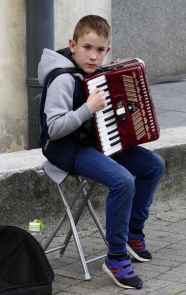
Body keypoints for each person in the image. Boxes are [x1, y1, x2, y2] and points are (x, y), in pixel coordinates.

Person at [38, 15, 165, 290]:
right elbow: (53, 129)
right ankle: (116, 258)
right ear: (72, 45)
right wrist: (88, 108)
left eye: (99, 50)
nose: (93, 56)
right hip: (66, 148)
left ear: (107, 50)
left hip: (95, 141)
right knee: (122, 180)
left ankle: (132, 235)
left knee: (154, 165)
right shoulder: (63, 78)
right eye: (87, 48)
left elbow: (106, 114)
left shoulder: (96, 73)